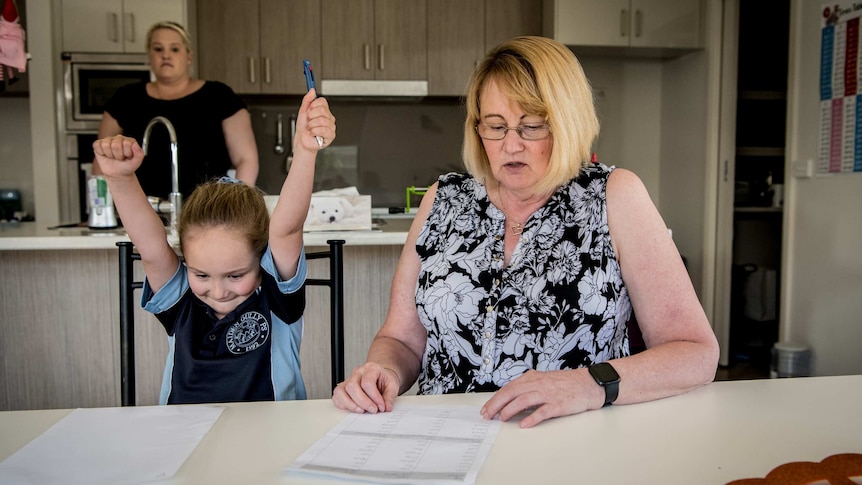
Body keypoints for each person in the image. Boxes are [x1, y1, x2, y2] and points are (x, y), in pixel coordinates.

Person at [332, 36, 719, 427]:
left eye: (531, 126)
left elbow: (694, 352)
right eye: (495, 126)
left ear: (568, 122)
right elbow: (401, 339)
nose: (510, 145)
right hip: (448, 436)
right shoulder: (443, 199)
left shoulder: (614, 197)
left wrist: (588, 384)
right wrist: (384, 369)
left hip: (570, 438)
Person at [93, 88, 335, 404]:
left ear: (261, 258)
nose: (218, 291)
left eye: (235, 276)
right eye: (202, 275)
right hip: (184, 438)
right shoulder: (180, 299)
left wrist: (305, 152)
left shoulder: (277, 299)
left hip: (270, 438)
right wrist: (121, 179)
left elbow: (287, 229)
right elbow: (151, 247)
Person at [93, 21, 259, 199]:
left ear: (189, 56)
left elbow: (246, 159)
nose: (165, 55)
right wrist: (101, 209)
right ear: (149, 55)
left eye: (174, 49)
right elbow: (102, 157)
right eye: (158, 49)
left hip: (207, 213)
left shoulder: (219, 96)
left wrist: (237, 207)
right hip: (139, 209)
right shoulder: (126, 98)